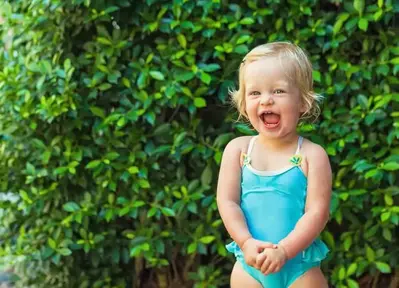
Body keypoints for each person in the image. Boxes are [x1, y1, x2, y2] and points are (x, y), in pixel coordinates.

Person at [216, 42, 332, 288]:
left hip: (299, 269)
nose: (266, 100)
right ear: (243, 103)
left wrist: (284, 251)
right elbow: (227, 202)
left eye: (278, 91)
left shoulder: (312, 155)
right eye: (255, 93)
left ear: (303, 101)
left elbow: (317, 213)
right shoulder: (238, 150)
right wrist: (246, 242)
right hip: (249, 268)